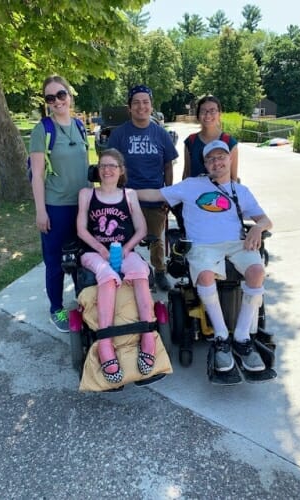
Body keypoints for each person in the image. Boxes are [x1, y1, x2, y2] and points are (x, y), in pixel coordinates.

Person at [137, 140, 273, 373]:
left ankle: (242, 337)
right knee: (206, 275)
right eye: (211, 159)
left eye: (221, 157)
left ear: (230, 160)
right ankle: (221, 338)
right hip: (203, 246)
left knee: (257, 272)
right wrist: (120, 191)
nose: (216, 162)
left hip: (236, 243)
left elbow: (265, 220)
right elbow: (155, 194)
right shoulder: (191, 185)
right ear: (205, 164)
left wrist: (257, 229)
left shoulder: (240, 190)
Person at [76, 148, 156, 384]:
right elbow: (81, 229)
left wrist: (127, 248)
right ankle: (105, 344)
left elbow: (141, 229)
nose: (107, 170)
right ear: (97, 170)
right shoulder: (86, 194)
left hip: (124, 248)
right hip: (93, 251)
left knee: (141, 270)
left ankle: (148, 336)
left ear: (121, 171)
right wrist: (101, 249)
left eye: (112, 166)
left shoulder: (129, 195)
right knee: (107, 275)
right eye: (102, 166)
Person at [30, 75, 90, 333]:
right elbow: (37, 176)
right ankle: (57, 308)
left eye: (61, 95)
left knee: (84, 257)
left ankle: (85, 301)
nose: (57, 101)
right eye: (50, 98)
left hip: (84, 205)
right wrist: (41, 211)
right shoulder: (42, 130)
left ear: (70, 95)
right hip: (57, 207)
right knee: (55, 261)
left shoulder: (79, 125)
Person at [107, 84, 179, 291]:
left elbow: (168, 165)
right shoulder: (119, 135)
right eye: (136, 103)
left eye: (145, 102)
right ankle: (129, 272)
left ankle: (159, 271)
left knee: (157, 239)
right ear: (129, 107)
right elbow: (112, 166)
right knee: (124, 239)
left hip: (155, 197)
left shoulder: (160, 134)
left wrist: (168, 194)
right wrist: (114, 194)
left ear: (151, 106)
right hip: (127, 198)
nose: (141, 107)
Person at [183, 95, 238, 181]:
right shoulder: (191, 141)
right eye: (203, 111)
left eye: (212, 111)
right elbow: (187, 173)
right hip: (195, 193)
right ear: (198, 115)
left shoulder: (229, 141)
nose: (208, 115)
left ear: (219, 114)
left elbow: (233, 179)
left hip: (221, 194)